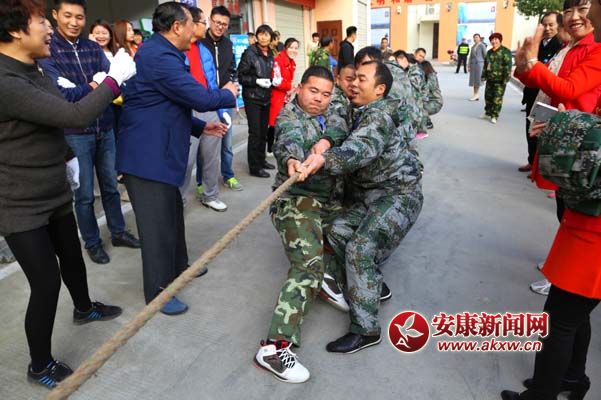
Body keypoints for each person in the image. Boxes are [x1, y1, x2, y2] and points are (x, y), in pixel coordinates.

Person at [0, 0, 134, 388]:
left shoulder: (34, 67)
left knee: (72, 256)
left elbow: (57, 108)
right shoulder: (5, 81)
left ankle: (84, 308)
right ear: (15, 31)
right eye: (41, 22)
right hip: (18, 201)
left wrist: (66, 157)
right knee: (45, 282)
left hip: (53, 185)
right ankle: (39, 365)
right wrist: (113, 80)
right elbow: (74, 115)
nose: (49, 29)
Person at [501, 1, 601, 398]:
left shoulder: (595, 53)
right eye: (570, 7)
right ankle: (573, 378)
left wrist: (563, 127)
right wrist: (526, 62)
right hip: (583, 204)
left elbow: (573, 98)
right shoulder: (570, 50)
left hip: (593, 218)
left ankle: (542, 394)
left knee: (559, 318)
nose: (575, 16)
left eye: (585, 6)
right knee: (575, 311)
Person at [116, 2, 237, 315]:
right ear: (177, 27)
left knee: (171, 215)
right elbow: (198, 97)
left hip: (163, 153)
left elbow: (166, 104)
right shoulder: (159, 56)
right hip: (147, 158)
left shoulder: (165, 52)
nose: (198, 29)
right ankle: (158, 293)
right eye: (194, 23)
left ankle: (180, 267)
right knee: (156, 228)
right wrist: (228, 93)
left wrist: (200, 126)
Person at [302, 61, 423, 354]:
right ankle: (371, 284)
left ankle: (366, 330)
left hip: (398, 195)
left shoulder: (378, 116)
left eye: (362, 79)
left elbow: (359, 150)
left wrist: (323, 160)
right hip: (372, 196)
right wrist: (326, 141)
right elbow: (339, 126)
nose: (354, 83)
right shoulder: (358, 110)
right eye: (353, 78)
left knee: (360, 249)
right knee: (337, 230)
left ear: (380, 89)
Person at [254, 66, 349, 383]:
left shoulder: (333, 109)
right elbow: (288, 143)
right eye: (313, 91)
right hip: (295, 200)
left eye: (325, 94)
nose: (319, 99)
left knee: (362, 232)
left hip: (330, 201)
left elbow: (339, 122)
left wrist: (325, 143)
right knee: (307, 265)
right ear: (299, 88)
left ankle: (326, 277)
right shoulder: (289, 117)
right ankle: (274, 348)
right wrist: (293, 161)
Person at [39, 0, 140, 265]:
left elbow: (115, 84)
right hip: (75, 133)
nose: (74, 22)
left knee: (110, 187)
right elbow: (65, 96)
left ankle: (118, 232)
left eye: (79, 17)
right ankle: (92, 243)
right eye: (68, 15)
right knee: (83, 195)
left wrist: (96, 85)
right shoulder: (48, 51)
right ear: (55, 15)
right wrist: (98, 84)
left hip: (105, 128)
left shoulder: (93, 48)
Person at [183, 6, 230, 212]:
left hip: (209, 107)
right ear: (191, 25)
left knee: (212, 157)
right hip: (187, 110)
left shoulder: (203, 49)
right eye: (204, 22)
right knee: (186, 161)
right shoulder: (176, 50)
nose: (207, 26)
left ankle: (210, 195)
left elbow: (212, 81)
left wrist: (219, 108)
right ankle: (178, 201)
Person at [200, 5, 243, 191]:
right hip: (206, 99)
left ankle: (228, 175)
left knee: (227, 142)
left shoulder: (228, 44)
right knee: (205, 145)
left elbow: (233, 69)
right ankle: (201, 182)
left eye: (224, 24)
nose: (220, 27)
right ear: (210, 20)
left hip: (225, 100)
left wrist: (233, 84)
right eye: (217, 22)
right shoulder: (200, 43)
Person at [519, 11, 563, 173]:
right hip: (532, 93)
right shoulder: (536, 44)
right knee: (531, 129)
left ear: (559, 26)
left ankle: (540, 168)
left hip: (547, 95)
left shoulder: (560, 45)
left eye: (551, 25)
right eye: (544, 25)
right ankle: (531, 161)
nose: (547, 28)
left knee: (543, 132)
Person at [238, 24, 275, 178]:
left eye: (267, 35)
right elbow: (241, 76)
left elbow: (270, 72)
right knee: (255, 132)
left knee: (263, 132)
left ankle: (261, 160)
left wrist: (274, 80)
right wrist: (256, 81)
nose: (263, 37)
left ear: (270, 37)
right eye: (261, 34)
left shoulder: (270, 53)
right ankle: (254, 167)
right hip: (252, 97)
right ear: (257, 36)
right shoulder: (250, 53)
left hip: (266, 96)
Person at [268, 38, 299, 153]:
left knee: (283, 120)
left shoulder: (292, 63)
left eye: (296, 48)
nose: (293, 50)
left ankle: (279, 146)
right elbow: (276, 81)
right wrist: (289, 86)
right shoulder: (278, 60)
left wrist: (292, 89)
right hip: (276, 96)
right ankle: (270, 148)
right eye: (291, 47)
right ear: (286, 48)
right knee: (274, 122)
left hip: (285, 96)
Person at [481, 32, 512, 124]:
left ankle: (494, 115)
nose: (494, 41)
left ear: (500, 40)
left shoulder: (505, 51)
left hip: (500, 80)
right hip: (490, 79)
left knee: (497, 99)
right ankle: (488, 112)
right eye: (492, 40)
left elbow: (508, 66)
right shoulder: (489, 52)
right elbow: (486, 65)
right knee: (488, 97)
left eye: (496, 39)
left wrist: (506, 79)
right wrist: (483, 76)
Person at [421, 60, 443, 129]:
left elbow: (425, 91)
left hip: (436, 103)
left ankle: (427, 122)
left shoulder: (431, 77)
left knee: (419, 105)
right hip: (433, 101)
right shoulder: (430, 75)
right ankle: (426, 119)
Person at [468, 33, 487, 101]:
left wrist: (486, 66)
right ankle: (475, 94)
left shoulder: (482, 46)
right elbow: (470, 57)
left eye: (477, 37)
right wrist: (469, 65)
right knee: (474, 80)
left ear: (479, 38)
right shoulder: (473, 46)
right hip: (473, 65)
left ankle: (476, 94)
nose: (475, 38)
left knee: (478, 80)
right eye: (474, 37)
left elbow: (485, 56)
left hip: (479, 65)